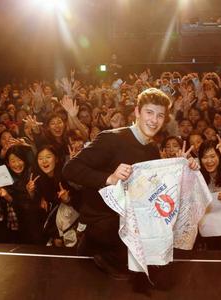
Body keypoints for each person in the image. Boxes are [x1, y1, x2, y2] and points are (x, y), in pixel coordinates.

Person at [62, 88, 172, 280]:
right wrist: (109, 178)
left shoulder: (153, 149)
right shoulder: (111, 139)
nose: (154, 120)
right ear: (137, 112)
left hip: (129, 235)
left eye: (160, 115)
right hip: (102, 236)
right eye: (149, 112)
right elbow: (70, 169)